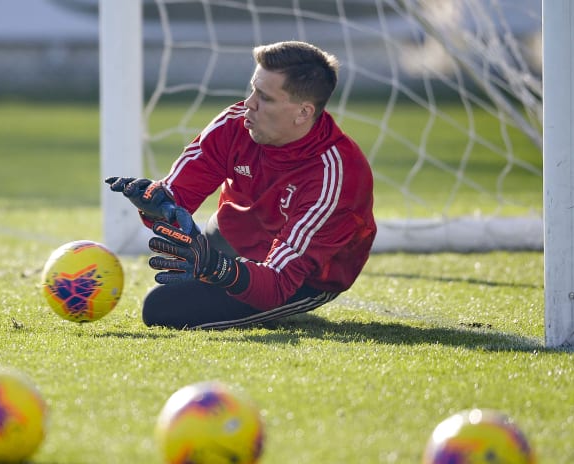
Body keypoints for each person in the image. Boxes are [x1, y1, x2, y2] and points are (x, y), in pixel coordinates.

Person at [105, 40, 376, 330]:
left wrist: (215, 268)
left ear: (303, 113)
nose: (249, 104)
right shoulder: (236, 124)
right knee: (178, 283)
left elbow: (278, 282)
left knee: (162, 309)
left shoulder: (337, 176)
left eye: (265, 98)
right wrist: (157, 205)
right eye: (252, 90)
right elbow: (178, 198)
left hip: (303, 278)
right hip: (232, 238)